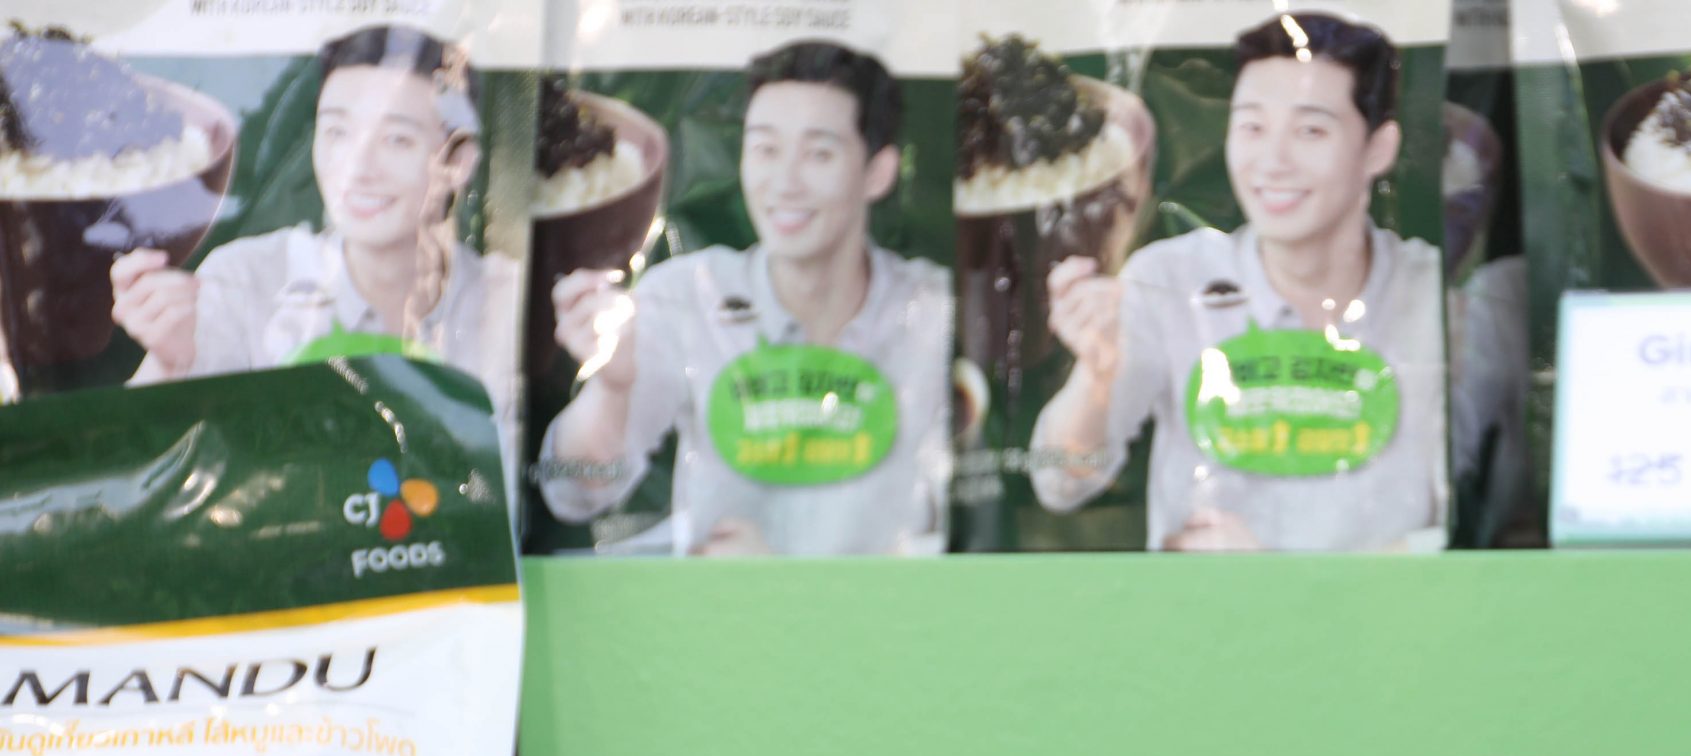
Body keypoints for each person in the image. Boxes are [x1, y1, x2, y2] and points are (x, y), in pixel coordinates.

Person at [1031, 12, 1445, 551]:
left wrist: (1281, 572)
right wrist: (1096, 375)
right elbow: (1059, 481)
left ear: (1379, 149)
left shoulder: (1435, 297)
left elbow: (1470, 528)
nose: (1272, 162)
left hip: (1392, 608)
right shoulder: (1171, 278)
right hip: (1206, 606)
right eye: (1252, 127)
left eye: (1310, 130)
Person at [537, 42, 950, 556]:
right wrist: (612, 386)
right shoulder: (688, 295)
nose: (784, 184)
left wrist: (783, 572)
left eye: (819, 154)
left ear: (878, 173)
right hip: (714, 605)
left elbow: (965, 532)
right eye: (765, 149)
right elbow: (574, 490)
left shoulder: (934, 312)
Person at [110, 27, 517, 419]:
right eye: (338, 132)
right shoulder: (245, 280)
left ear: (457, 161)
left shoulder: (508, 304)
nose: (358, 169)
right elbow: (134, 449)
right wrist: (170, 364)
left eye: (397, 139)